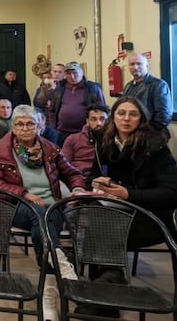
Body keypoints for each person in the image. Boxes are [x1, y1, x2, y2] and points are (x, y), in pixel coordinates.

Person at [0, 104, 86, 321]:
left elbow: (72, 173)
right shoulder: (1, 150)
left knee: (45, 218)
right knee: (38, 212)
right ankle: (62, 266)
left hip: (51, 207)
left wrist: (77, 189)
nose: (25, 128)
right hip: (17, 206)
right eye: (20, 124)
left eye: (30, 124)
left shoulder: (49, 149)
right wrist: (25, 193)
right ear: (13, 127)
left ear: (39, 126)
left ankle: (48, 293)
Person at [90, 96, 177, 249]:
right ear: (113, 117)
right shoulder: (104, 141)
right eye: (121, 113)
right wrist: (97, 182)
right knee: (84, 214)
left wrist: (128, 194)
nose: (126, 119)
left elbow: (171, 192)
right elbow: (93, 175)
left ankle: (105, 263)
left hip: (151, 213)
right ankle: (95, 261)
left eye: (133, 114)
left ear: (141, 119)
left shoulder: (155, 145)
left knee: (102, 226)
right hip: (115, 206)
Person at [50, 61, 106, 146]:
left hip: (84, 133)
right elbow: (52, 110)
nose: (72, 76)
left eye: (75, 73)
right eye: (69, 73)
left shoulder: (93, 88)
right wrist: (53, 128)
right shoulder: (60, 88)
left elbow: (103, 110)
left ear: (81, 73)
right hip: (61, 133)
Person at [121, 53, 172, 132]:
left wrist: (149, 132)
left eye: (139, 64)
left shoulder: (158, 85)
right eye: (132, 64)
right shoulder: (128, 86)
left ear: (147, 66)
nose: (135, 67)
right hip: (130, 132)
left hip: (149, 133)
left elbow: (163, 115)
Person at [61, 103, 109, 174]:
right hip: (78, 176)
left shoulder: (113, 140)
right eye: (93, 119)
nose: (99, 123)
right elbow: (63, 166)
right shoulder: (72, 139)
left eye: (102, 119)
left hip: (102, 176)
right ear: (87, 121)